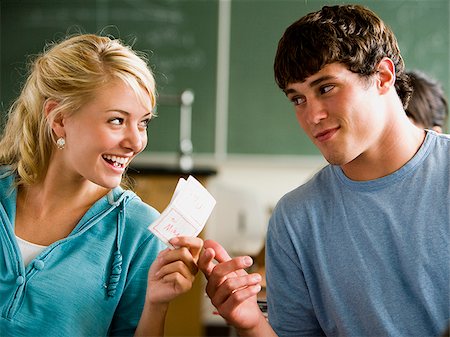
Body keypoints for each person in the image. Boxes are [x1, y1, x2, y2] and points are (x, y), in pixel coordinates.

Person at [199, 4, 449, 337]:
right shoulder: (295, 218)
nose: (312, 115)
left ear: (383, 77)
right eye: (297, 99)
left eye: (326, 88)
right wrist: (251, 323)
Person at [0, 33, 203, 336]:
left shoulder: (139, 231)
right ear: (59, 119)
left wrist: (156, 304)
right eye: (117, 120)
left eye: (143, 122)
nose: (136, 142)